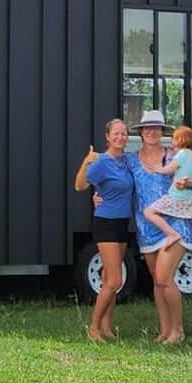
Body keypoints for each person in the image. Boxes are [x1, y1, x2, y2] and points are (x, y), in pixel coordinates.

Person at [125, 111, 192, 344]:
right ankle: (165, 330)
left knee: (164, 277)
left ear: (162, 132)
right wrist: (99, 195)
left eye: (156, 128)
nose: (151, 131)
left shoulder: (175, 155)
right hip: (147, 227)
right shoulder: (131, 159)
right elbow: (114, 177)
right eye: (147, 128)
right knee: (157, 281)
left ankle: (178, 331)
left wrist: (189, 182)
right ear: (140, 132)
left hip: (175, 222)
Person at [73, 118, 133, 343]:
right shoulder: (100, 161)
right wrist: (86, 162)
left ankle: (107, 327)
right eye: (116, 133)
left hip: (122, 223)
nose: (120, 137)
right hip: (105, 223)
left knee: (110, 275)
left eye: (124, 133)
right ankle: (94, 328)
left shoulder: (126, 161)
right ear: (107, 137)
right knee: (114, 280)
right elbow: (79, 186)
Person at [141, 126, 192, 249]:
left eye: (174, 138)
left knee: (149, 212)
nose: (171, 140)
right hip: (189, 197)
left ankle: (171, 234)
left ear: (181, 140)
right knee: (189, 220)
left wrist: (159, 169)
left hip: (176, 195)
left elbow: (170, 169)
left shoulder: (182, 154)